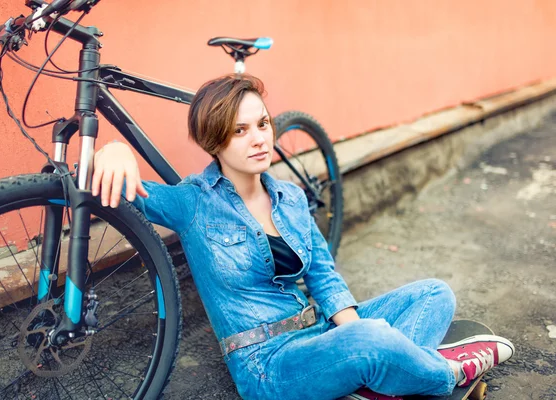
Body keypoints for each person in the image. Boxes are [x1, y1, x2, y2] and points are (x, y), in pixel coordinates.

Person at [91, 74, 515, 400]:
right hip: (267, 363)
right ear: (213, 141)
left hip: (318, 332)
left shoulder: (290, 197)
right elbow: (109, 189)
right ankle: (446, 373)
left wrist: (351, 338)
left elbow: (325, 280)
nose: (259, 139)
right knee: (373, 341)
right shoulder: (193, 203)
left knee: (434, 294)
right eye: (240, 131)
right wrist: (111, 151)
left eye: (262, 124)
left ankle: (376, 380)